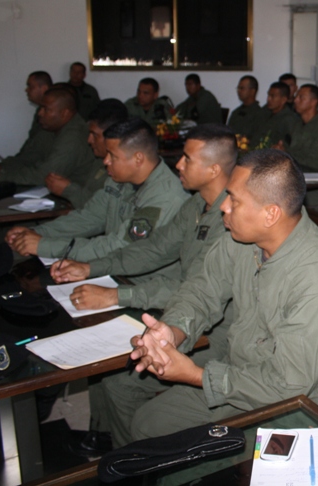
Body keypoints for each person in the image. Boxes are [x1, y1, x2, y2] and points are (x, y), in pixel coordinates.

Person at [120, 149, 318, 444]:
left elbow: (287, 386)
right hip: (241, 374)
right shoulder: (244, 240)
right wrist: (173, 331)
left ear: (270, 214)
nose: (223, 206)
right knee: (147, 423)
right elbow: (201, 290)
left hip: (294, 411)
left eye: (233, 199)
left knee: (171, 445)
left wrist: (196, 375)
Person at [52, 125, 237, 452]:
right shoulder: (197, 205)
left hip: (220, 331)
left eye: (187, 159)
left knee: (122, 380)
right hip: (184, 310)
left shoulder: (231, 220)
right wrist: (91, 267)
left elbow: (193, 287)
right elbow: (153, 249)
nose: (178, 164)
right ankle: (105, 437)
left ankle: (134, 462)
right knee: (108, 356)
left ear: (213, 170)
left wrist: (115, 295)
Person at [5, 118, 188, 263]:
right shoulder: (120, 179)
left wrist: (45, 245)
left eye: (112, 156)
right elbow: (89, 217)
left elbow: (119, 246)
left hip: (145, 282)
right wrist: (38, 233)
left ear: (138, 159)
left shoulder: (165, 197)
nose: (105, 161)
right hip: (113, 267)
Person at [0, 88, 96, 187]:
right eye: (40, 108)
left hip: (73, 194)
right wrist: (0, 167)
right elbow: (29, 158)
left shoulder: (74, 137)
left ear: (64, 113)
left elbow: (45, 176)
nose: (40, 113)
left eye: (46, 109)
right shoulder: (52, 127)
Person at [45, 98, 126, 209]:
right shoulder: (98, 161)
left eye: (95, 135)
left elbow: (103, 209)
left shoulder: (122, 167)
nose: (89, 140)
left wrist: (68, 190)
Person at [0, 71, 53, 178]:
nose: (26, 90)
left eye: (30, 86)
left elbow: (35, 155)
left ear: (44, 88)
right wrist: (3, 166)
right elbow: (28, 149)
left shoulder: (52, 119)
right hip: (27, 169)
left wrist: (1, 170)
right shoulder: (39, 112)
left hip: (36, 173)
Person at [276, 84, 318, 171]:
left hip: (307, 174)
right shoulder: (296, 124)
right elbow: (287, 146)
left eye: (301, 97)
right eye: (296, 96)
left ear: (313, 102)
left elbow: (316, 164)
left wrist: (287, 155)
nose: (295, 100)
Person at [254, 82, 301, 147]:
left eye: (273, 96)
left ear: (283, 100)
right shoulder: (264, 113)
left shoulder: (289, 120)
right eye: (268, 95)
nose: (268, 99)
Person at [227, 75, 267, 140]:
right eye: (238, 88)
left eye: (242, 88)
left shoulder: (260, 114)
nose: (239, 91)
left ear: (252, 91)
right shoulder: (236, 112)